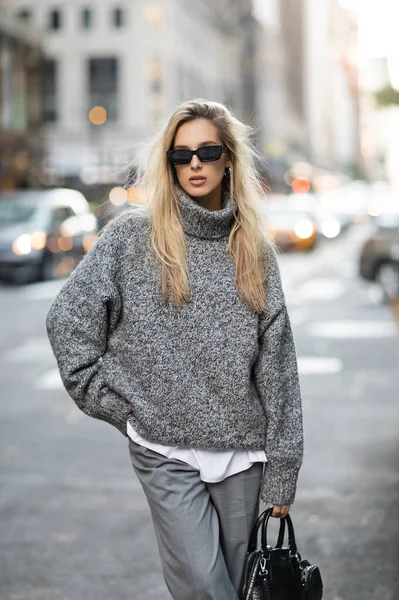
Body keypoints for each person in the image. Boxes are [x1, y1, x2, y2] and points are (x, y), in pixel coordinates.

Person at [46, 99, 304, 600]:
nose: (194, 164)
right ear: (167, 162)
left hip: (242, 454)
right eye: (180, 155)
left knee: (234, 584)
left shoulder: (253, 249)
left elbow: (278, 365)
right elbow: (68, 321)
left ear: (229, 158)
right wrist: (121, 408)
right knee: (206, 589)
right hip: (164, 449)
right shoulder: (132, 237)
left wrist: (283, 469)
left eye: (207, 151)